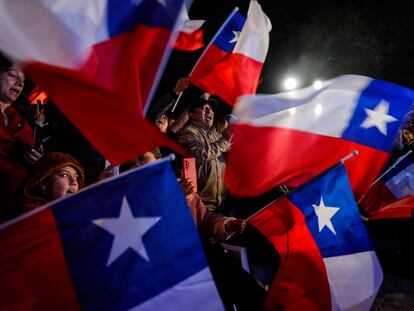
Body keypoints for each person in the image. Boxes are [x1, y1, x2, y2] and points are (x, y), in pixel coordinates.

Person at [0, 54, 42, 206]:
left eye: (23, 80)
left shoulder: (22, 121)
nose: (19, 83)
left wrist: (38, 161)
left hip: (15, 200)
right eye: (13, 75)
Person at [177, 97, 231, 212]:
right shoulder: (188, 133)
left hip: (220, 206)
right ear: (191, 114)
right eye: (203, 108)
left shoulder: (216, 135)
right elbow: (197, 155)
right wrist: (225, 140)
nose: (209, 111)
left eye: (210, 109)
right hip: (198, 207)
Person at [3, 152, 84, 220]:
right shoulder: (29, 214)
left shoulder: (73, 215)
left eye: (76, 177)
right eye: (65, 175)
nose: (74, 182)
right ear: (43, 183)